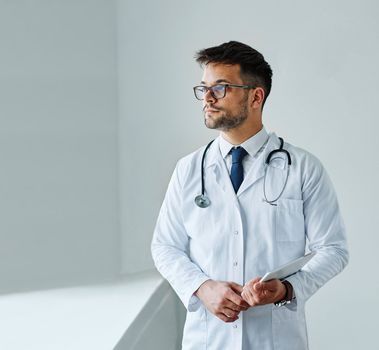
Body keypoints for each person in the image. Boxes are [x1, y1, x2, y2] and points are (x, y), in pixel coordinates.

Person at [151, 41, 349, 350]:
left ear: (255, 96)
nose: (208, 98)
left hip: (275, 338)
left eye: (221, 88)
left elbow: (334, 250)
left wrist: (287, 289)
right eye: (204, 88)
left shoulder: (303, 168)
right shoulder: (188, 170)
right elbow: (165, 246)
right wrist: (202, 288)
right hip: (208, 338)